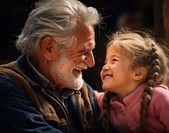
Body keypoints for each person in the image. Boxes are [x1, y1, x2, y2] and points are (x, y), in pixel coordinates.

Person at [0, 0, 103, 132]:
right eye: (83, 51)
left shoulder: (80, 89)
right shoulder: (7, 86)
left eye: (91, 50)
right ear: (49, 48)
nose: (91, 62)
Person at [95, 29, 169, 133]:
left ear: (138, 74)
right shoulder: (108, 100)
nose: (105, 67)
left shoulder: (159, 98)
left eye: (114, 60)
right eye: (106, 62)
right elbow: (85, 94)